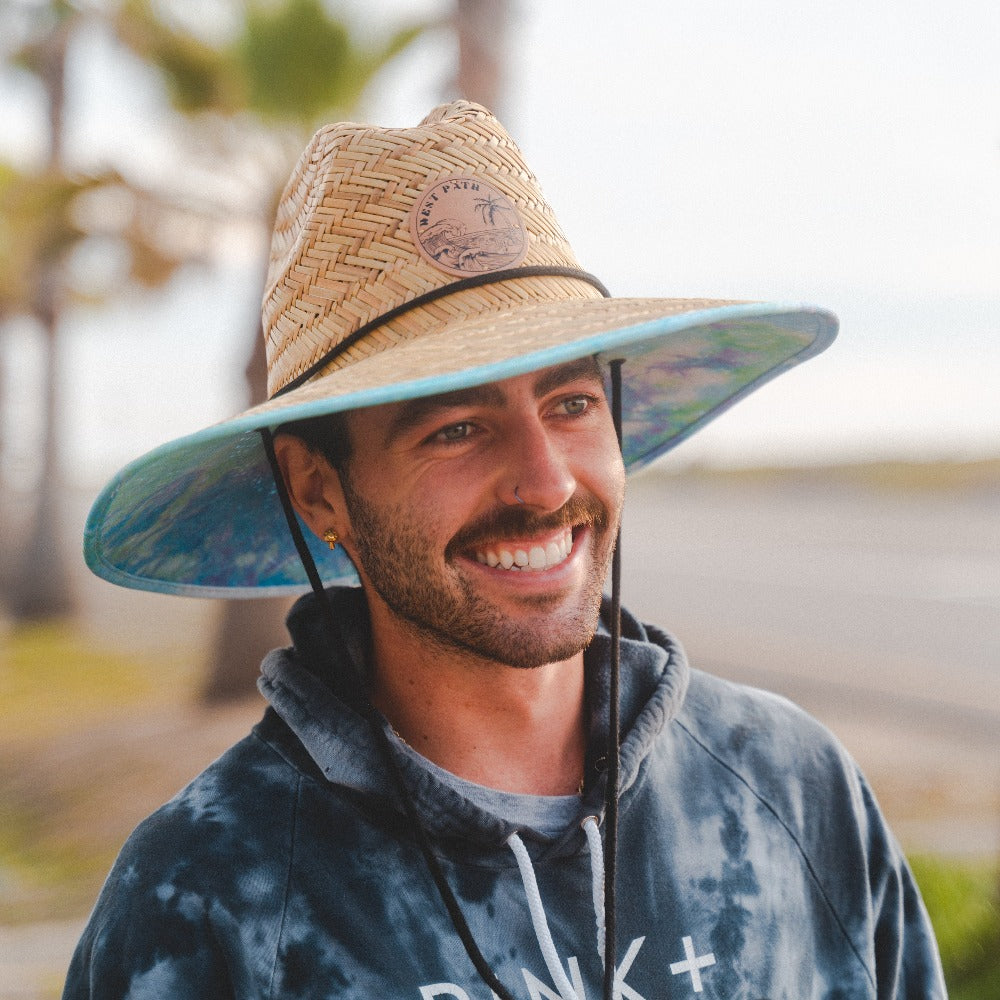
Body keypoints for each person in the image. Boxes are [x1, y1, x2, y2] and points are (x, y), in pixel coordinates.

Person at [65, 101, 945, 999]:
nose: (546, 482)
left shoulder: (789, 787)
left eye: (571, 405)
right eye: (454, 428)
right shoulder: (212, 892)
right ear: (318, 487)